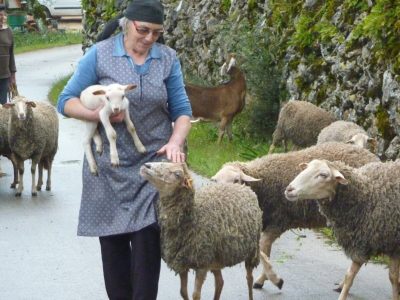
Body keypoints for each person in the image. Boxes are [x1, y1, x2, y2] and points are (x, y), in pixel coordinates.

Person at [56, 0, 192, 299]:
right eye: (143, 30)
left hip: (151, 168)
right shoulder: (100, 54)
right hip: (108, 169)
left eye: (156, 33)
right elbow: (65, 101)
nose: (149, 38)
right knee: (114, 249)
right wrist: (95, 114)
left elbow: (182, 110)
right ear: (127, 24)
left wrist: (175, 141)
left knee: (147, 243)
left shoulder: (167, 59)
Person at [0, 3, 16, 105]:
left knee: (3, 106)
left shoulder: (8, 31)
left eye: (2, 15)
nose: (1, 17)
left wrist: (13, 76)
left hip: (4, 76)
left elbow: (11, 55)